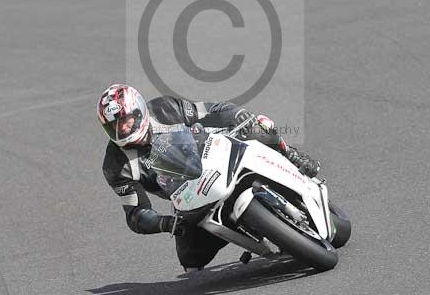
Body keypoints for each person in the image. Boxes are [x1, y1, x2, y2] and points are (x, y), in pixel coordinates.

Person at [97, 84, 320, 271]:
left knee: (258, 126)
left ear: (138, 111)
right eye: (113, 127)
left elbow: (208, 110)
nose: (122, 131)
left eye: (125, 121)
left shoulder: (164, 108)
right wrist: (166, 223)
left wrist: (236, 115)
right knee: (191, 262)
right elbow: (135, 213)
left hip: (212, 152)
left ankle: (289, 154)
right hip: (188, 195)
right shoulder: (116, 166)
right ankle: (250, 231)